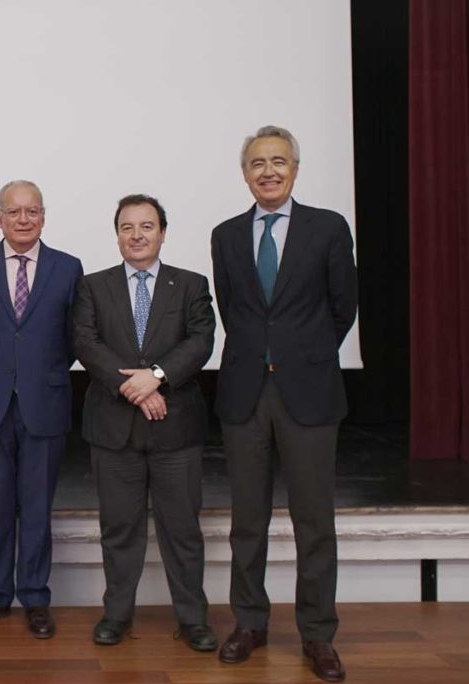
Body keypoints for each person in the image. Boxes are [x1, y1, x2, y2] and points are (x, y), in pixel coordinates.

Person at [211, 126, 357, 682]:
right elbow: (235, 310)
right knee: (247, 521)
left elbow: (343, 306)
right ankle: (249, 623)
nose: (267, 171)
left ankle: (318, 634)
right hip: (246, 393)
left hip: (310, 392)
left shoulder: (327, 227)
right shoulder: (226, 235)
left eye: (278, 162)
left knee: (314, 521)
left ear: (295, 169)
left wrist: (303, 353)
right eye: (257, 163)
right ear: (244, 173)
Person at [73, 194, 217, 650]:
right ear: (117, 235)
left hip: (176, 429)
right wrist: (134, 389)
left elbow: (201, 341)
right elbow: (86, 342)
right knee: (119, 529)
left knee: (183, 529)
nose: (137, 235)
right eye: (127, 227)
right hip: (114, 429)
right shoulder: (93, 287)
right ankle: (116, 616)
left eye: (147, 226)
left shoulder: (191, 285)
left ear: (162, 233)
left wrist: (155, 378)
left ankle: (193, 620)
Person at [0, 180, 83, 639]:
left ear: (43, 217)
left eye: (32, 211)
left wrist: (35, 371)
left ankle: (34, 597)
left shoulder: (68, 268)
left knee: (36, 508)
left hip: (44, 403)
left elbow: (75, 337)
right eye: (14, 212)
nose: (23, 219)